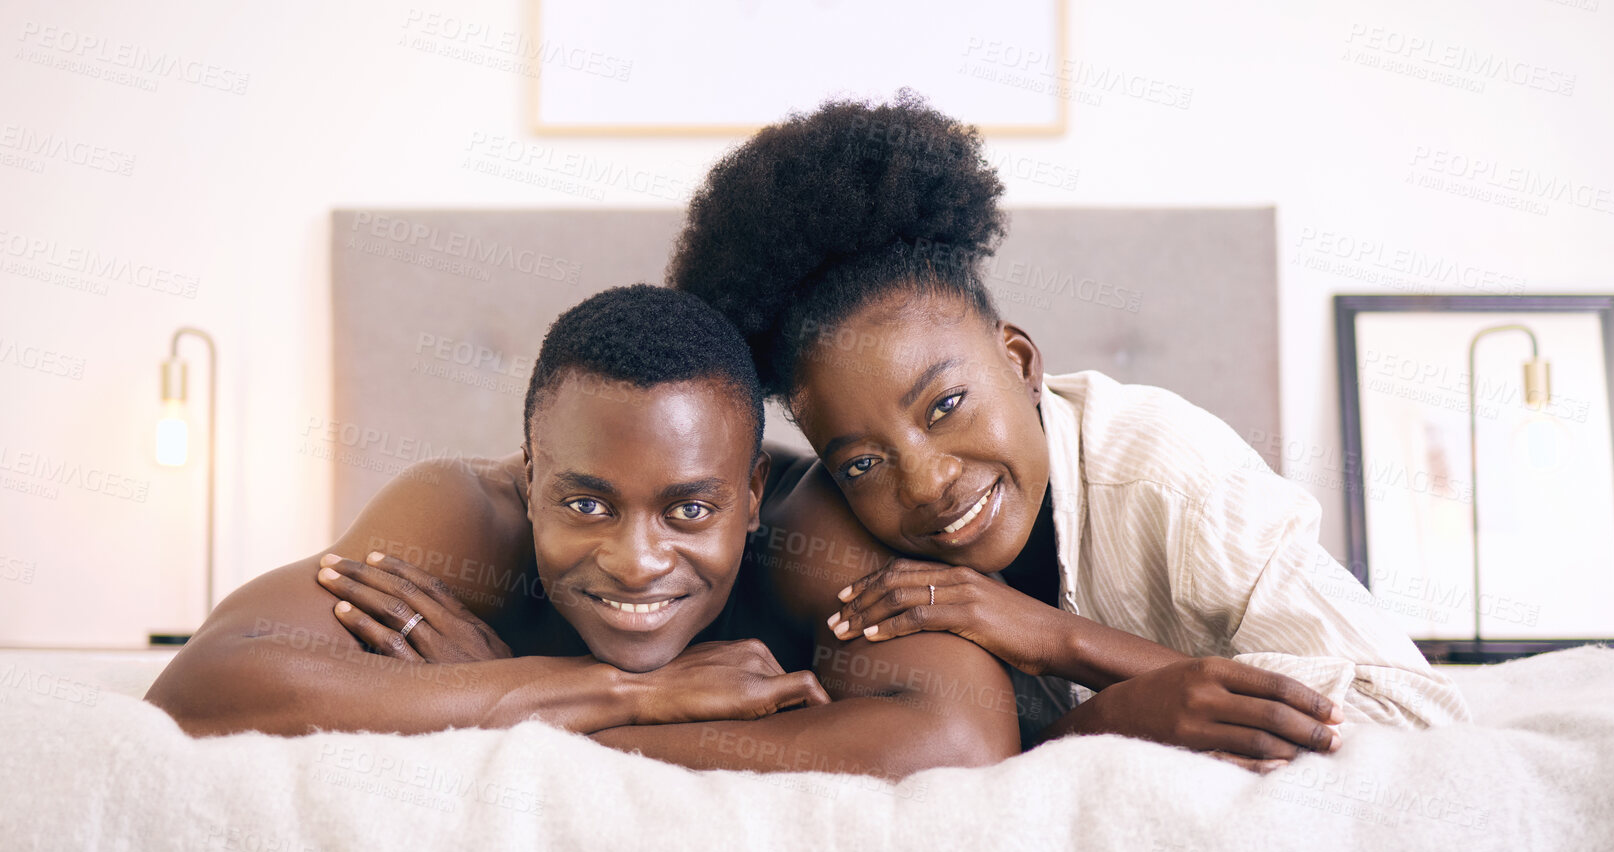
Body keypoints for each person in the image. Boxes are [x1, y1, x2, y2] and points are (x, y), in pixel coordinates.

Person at [664, 92, 1472, 762]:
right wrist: (1090, 721)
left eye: (945, 407)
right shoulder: (851, 550)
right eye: (864, 463)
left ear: (1017, 360)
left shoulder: (1167, 475)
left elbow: (1417, 720)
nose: (927, 483)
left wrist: (1063, 641)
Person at [146, 284, 1021, 779]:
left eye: (690, 510)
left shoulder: (810, 532)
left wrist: (538, 717)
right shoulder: (464, 518)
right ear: (529, 477)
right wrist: (620, 691)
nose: (636, 562)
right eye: (587, 505)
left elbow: (963, 737)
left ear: (752, 494)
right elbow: (205, 685)